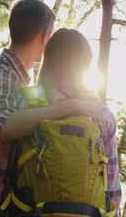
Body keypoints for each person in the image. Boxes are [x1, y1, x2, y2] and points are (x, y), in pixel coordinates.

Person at [0, 0, 107, 217]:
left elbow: (6, 155)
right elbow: (3, 128)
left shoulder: (22, 87)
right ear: (44, 36)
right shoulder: (2, 75)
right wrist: (69, 107)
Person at [37, 28, 121, 213]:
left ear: (48, 60)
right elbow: (111, 179)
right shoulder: (101, 113)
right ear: (85, 64)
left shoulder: (28, 102)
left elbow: (4, 162)